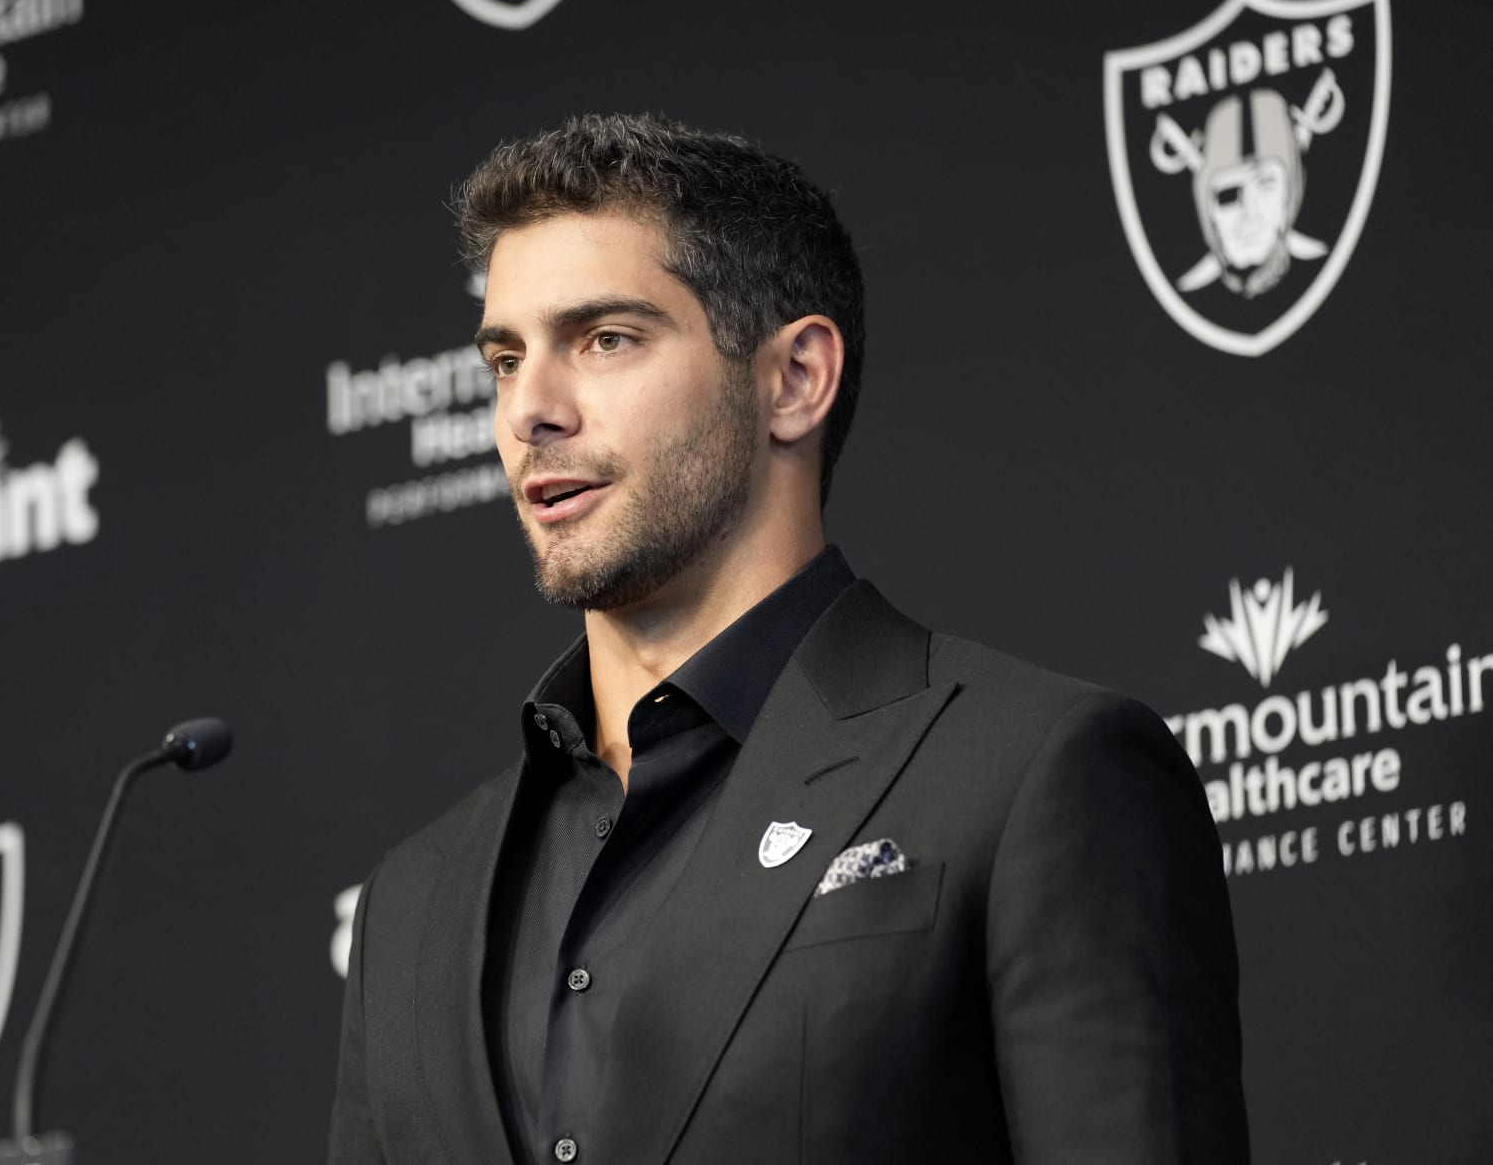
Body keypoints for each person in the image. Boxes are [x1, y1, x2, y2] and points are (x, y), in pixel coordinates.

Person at [328, 112, 1249, 1164]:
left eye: (605, 340)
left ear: (794, 378)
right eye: (503, 357)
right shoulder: (414, 900)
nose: (529, 408)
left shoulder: (1032, 775)